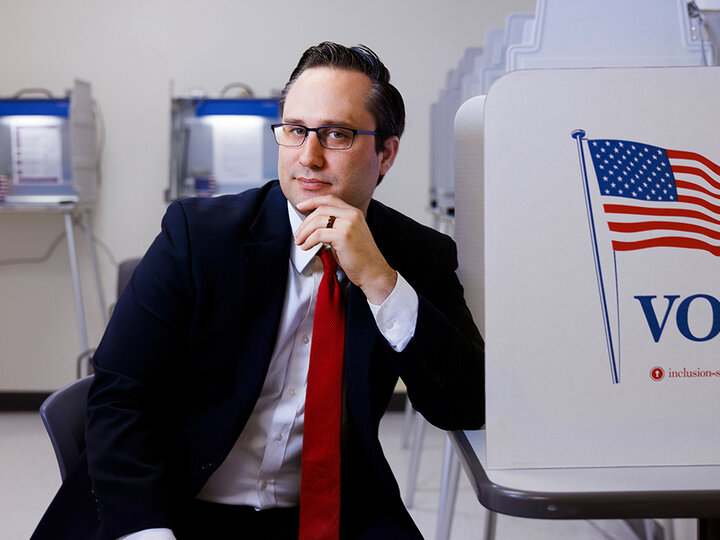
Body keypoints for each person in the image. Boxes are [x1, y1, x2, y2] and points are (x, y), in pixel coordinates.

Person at [33, 41, 484, 540]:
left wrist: (381, 282)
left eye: (336, 134)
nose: (308, 157)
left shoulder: (418, 255)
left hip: (332, 511)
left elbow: (465, 407)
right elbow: (120, 396)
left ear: (386, 153)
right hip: (175, 500)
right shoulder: (197, 236)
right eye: (295, 131)